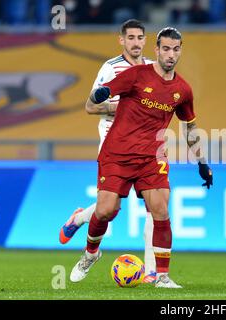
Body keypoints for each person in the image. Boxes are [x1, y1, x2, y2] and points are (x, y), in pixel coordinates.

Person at [69, 27, 213, 289]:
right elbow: (98, 96)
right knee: (105, 210)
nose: (171, 54)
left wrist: (202, 161)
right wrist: (100, 94)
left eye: (176, 49)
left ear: (180, 51)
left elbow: (190, 128)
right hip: (117, 153)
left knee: (160, 210)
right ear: (156, 50)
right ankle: (90, 254)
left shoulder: (183, 89)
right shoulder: (135, 75)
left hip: (151, 156)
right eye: (166, 49)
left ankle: (162, 277)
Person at [59, 19, 158, 282]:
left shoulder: (152, 69)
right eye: (131, 38)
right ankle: (83, 224)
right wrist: (121, 108)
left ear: (145, 41)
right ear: (121, 40)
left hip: (146, 144)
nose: (136, 42)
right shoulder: (111, 68)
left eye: (140, 38)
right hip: (114, 143)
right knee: (108, 210)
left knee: (155, 204)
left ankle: (151, 271)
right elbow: (91, 106)